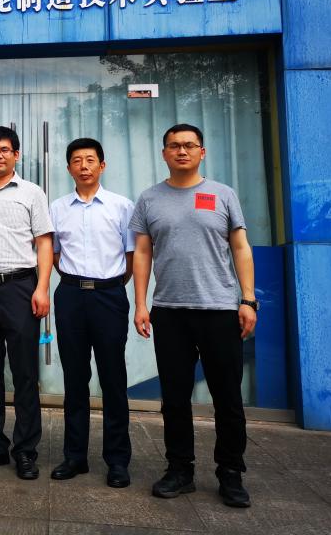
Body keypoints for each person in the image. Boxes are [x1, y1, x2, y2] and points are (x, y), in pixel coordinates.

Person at [130, 123, 257, 508]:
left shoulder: (222, 194)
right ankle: (179, 469)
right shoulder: (150, 199)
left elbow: (241, 247)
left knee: (227, 398)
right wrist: (140, 303)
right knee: (174, 397)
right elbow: (142, 252)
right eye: (174, 146)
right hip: (170, 311)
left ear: (202, 152)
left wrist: (248, 299)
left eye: (189, 145)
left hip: (219, 310)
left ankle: (230, 472)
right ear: (164, 153)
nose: (181, 151)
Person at [0, 126, 53, 481]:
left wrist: (42, 288)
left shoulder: (32, 193)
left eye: (4, 150)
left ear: (16, 154)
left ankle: (26, 451)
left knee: (24, 373)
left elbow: (44, 243)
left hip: (20, 288)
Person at [50, 138, 134, 488]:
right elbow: (54, 253)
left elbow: (131, 256)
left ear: (102, 165)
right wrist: (76, 283)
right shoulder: (57, 208)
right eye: (76, 160)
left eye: (90, 160)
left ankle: (117, 460)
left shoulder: (122, 206)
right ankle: (75, 456)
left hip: (109, 296)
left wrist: (109, 285)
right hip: (70, 295)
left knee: (113, 378)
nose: (83, 166)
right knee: (75, 378)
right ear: (68, 167)